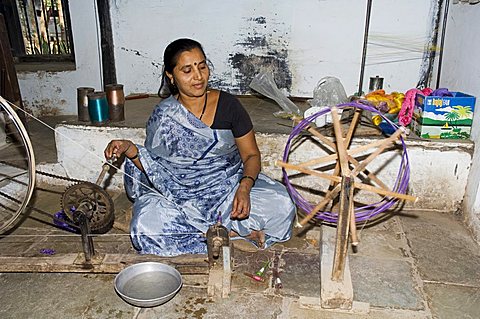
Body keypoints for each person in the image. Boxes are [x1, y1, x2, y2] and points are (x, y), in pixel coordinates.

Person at [104, 38, 295, 256]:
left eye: (202, 66)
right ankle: (229, 234)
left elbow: (251, 155)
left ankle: (212, 234)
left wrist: (245, 187)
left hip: (228, 190)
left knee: (281, 205)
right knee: (146, 225)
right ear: (171, 76)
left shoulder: (229, 105)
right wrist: (129, 148)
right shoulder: (164, 116)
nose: (198, 76)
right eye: (187, 70)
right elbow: (157, 168)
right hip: (180, 198)